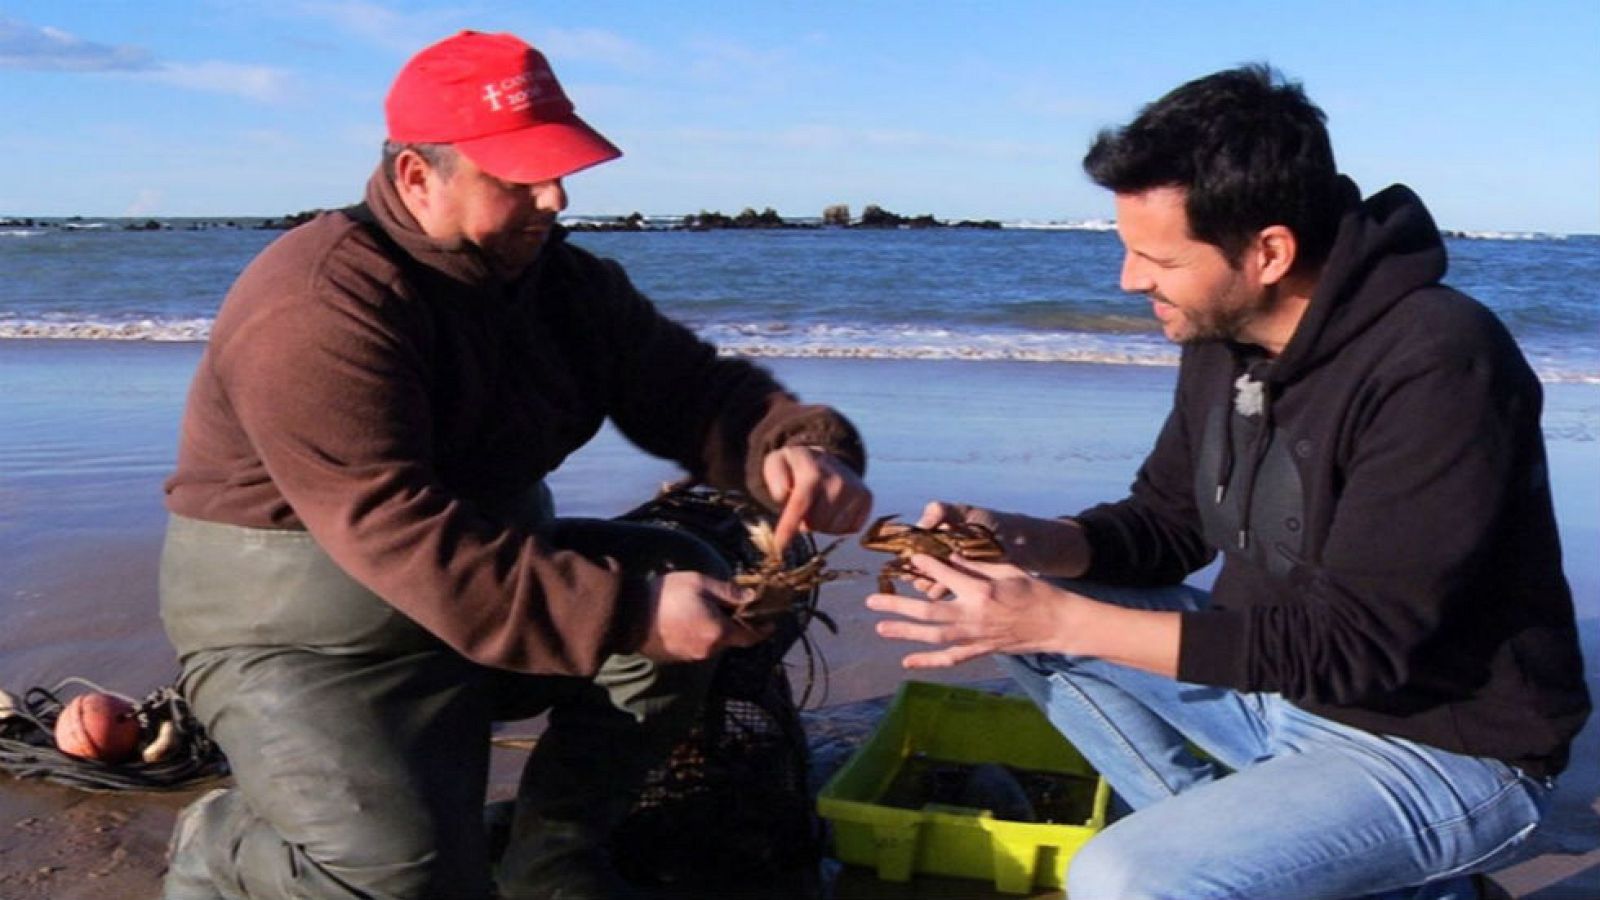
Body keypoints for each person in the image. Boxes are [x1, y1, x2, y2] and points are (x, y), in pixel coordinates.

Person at [158, 30, 871, 900]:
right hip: (306, 632)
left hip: (485, 583)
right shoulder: (317, 305)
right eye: (518, 176)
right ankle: (222, 839)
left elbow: (692, 392)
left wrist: (790, 445)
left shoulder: (562, 282)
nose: (555, 196)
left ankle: (555, 857)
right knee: (401, 879)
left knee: (685, 565)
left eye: (560, 168)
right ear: (418, 177)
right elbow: (398, 531)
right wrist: (625, 612)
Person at [868, 64, 1589, 900]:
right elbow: (1168, 522)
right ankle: (1299, 864)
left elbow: (1355, 647)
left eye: (1155, 256)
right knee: (1018, 605)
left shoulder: (1440, 361)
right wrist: (1034, 543)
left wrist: (1060, 614)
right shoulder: (1223, 335)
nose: (1129, 280)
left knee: (1120, 876)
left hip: (1444, 745)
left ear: (1269, 252)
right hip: (1277, 693)